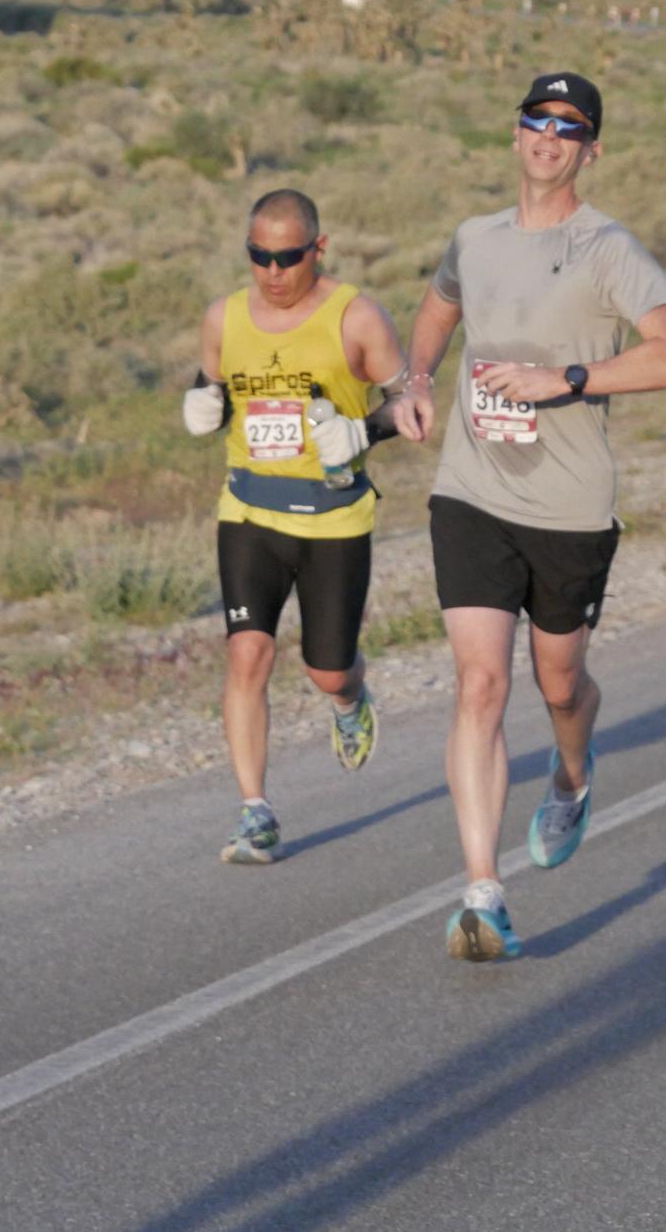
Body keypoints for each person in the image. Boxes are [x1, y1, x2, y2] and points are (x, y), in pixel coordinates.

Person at [398, 72, 666, 960]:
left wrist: (564, 379)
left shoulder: (610, 249)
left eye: (570, 127)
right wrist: (416, 380)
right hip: (472, 492)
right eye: (538, 118)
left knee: (560, 684)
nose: (549, 135)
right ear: (516, 132)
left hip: (569, 506)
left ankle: (571, 774)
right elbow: (439, 305)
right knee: (480, 684)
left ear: (590, 150)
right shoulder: (475, 237)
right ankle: (483, 894)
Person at [182, 189, 409, 863]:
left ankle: (350, 700)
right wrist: (204, 404)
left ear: (319, 248)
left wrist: (362, 433)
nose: (273, 273)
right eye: (259, 257)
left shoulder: (357, 316)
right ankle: (255, 812)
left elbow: (408, 403)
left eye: (288, 257)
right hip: (249, 510)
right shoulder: (224, 317)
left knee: (326, 670)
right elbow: (214, 384)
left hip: (333, 517)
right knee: (247, 652)